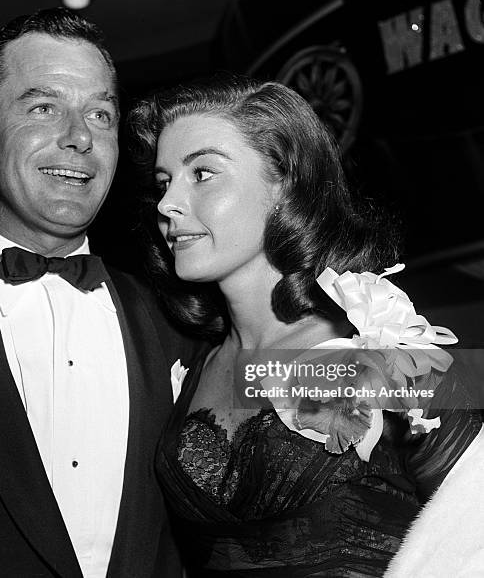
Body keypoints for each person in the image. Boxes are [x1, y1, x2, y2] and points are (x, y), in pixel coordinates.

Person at [0, 9, 203, 577]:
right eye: (43, 107)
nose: (79, 137)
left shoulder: (179, 319)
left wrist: (389, 361)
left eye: (100, 114)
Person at [127, 76, 483, 576]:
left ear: (284, 185)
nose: (167, 205)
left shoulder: (384, 349)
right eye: (164, 183)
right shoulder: (191, 359)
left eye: (202, 173)